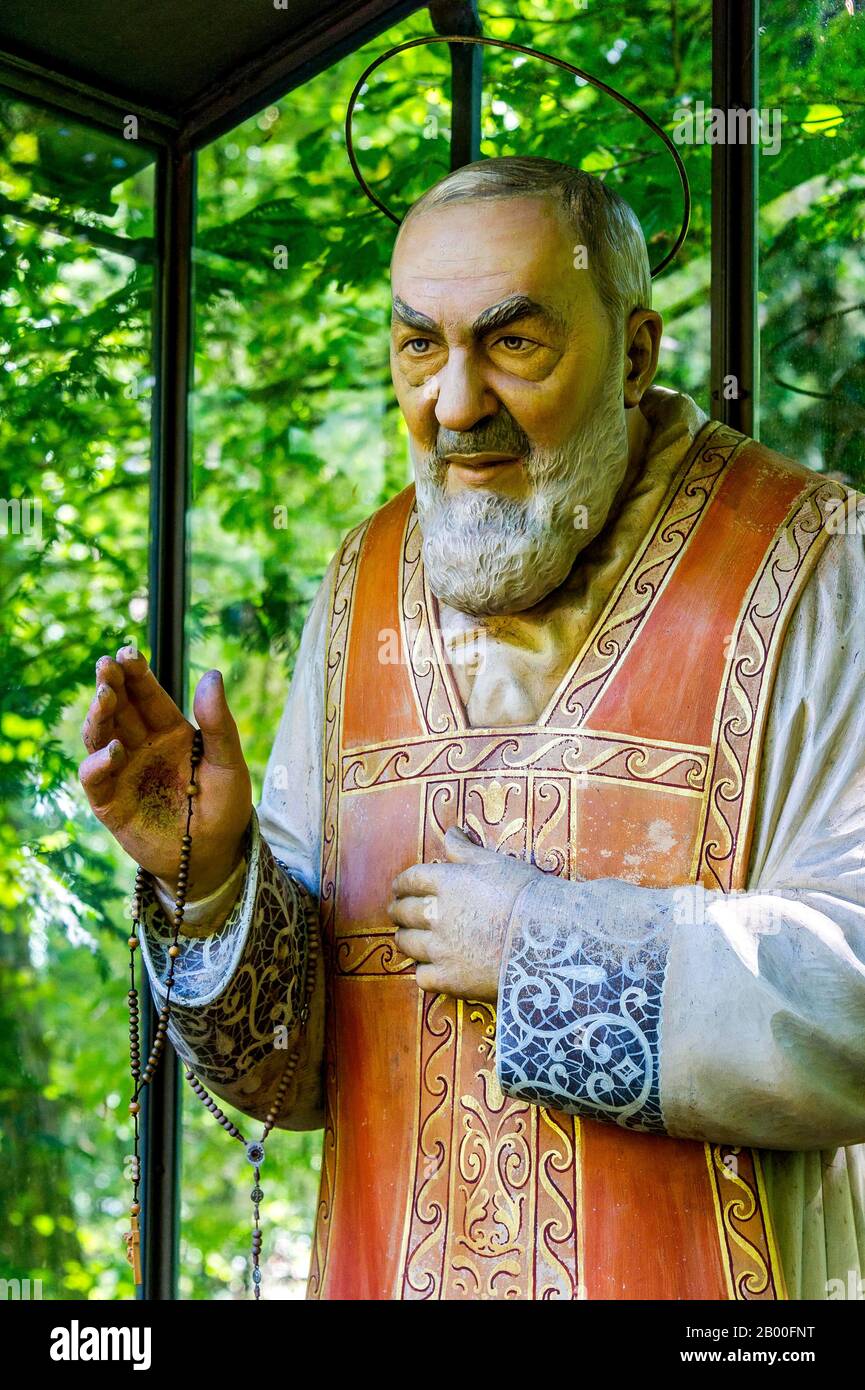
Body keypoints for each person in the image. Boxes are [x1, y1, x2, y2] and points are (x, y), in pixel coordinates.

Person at [79, 158, 865, 1301]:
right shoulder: (360, 582)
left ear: (635, 353)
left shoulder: (817, 563)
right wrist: (209, 878)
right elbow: (295, 1078)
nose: (453, 404)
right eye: (417, 347)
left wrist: (543, 952)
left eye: (512, 344)